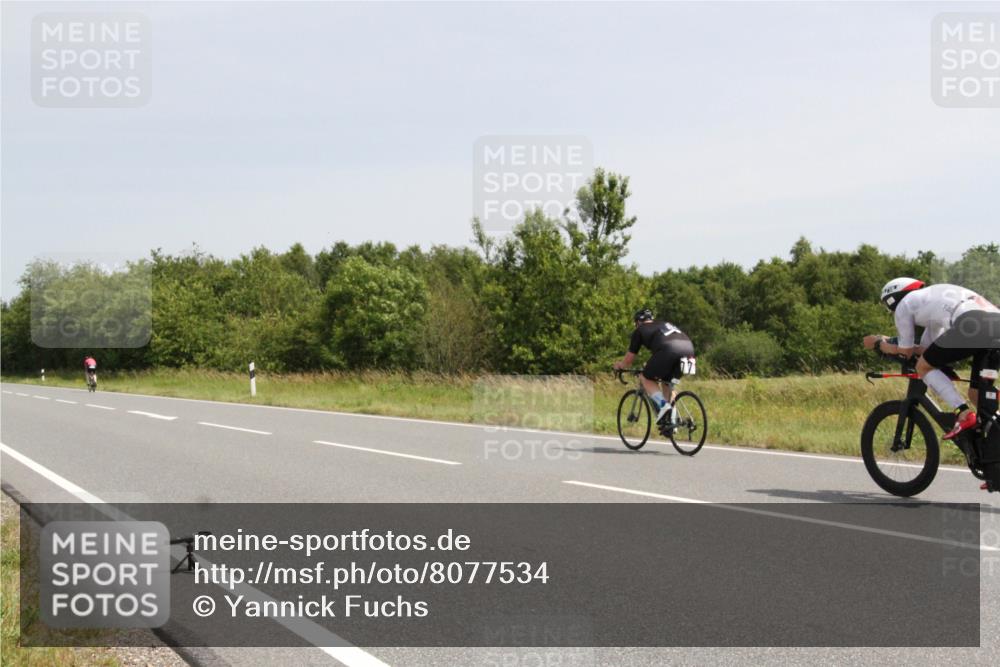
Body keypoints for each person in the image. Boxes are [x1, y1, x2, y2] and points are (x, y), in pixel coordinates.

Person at [863, 278, 1000, 441]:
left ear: (892, 299)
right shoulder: (932, 301)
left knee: (922, 368)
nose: (891, 312)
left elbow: (905, 353)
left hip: (971, 324)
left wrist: (879, 343)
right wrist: (895, 343)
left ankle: (963, 412)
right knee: (977, 394)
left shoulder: (904, 305)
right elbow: (930, 351)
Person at [614, 308, 696, 425]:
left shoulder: (640, 330)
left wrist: (619, 366)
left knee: (645, 377)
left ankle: (664, 406)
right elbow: (660, 350)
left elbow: (628, 360)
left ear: (638, 322)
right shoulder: (664, 324)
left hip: (669, 350)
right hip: (689, 351)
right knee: (667, 382)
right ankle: (672, 422)